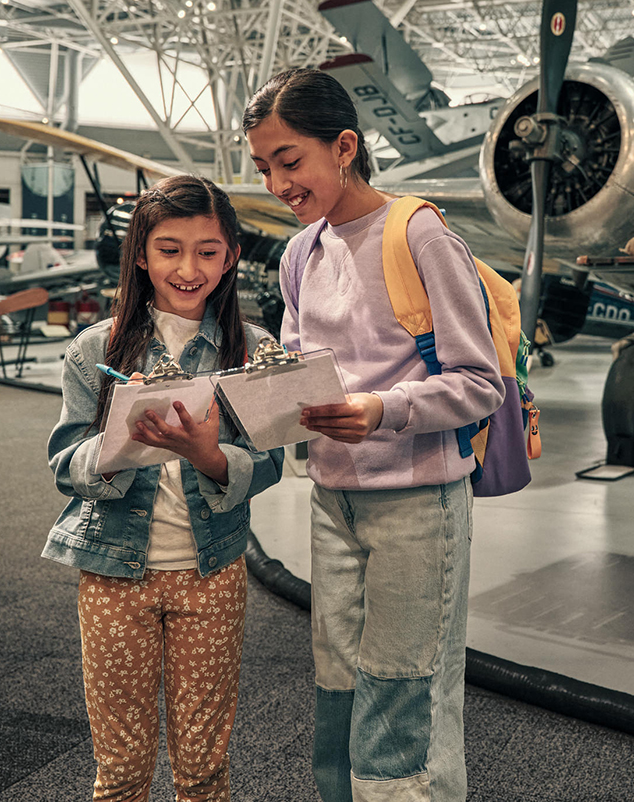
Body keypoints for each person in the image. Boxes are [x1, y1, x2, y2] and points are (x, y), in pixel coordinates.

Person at [243, 68, 506, 802]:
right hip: (332, 501)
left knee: (405, 681)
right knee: (338, 678)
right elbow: (298, 368)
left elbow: (479, 382)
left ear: (345, 147)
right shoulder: (302, 253)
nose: (275, 184)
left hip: (419, 505)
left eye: (289, 162)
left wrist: (380, 410)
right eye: (264, 167)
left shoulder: (418, 232)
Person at [44, 174, 285, 802]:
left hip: (212, 574)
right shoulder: (94, 348)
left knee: (203, 770)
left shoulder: (253, 349)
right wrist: (118, 447)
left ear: (231, 256)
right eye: (169, 249)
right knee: (120, 771)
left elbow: (273, 462)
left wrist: (209, 456)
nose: (188, 267)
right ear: (142, 254)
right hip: (113, 576)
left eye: (208, 251)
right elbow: (63, 461)